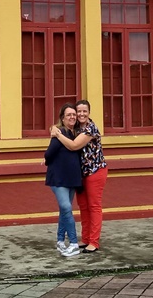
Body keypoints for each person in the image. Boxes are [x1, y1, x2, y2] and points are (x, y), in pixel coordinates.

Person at [51, 99, 107, 253]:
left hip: (95, 171)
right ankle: (86, 238)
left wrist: (57, 134)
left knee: (94, 206)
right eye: (79, 111)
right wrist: (55, 129)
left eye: (84, 111)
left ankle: (94, 242)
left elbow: (74, 145)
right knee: (83, 206)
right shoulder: (76, 127)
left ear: (89, 112)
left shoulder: (90, 128)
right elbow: (62, 125)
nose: (81, 114)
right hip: (80, 174)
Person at [44, 103, 82, 257]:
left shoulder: (78, 133)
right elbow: (48, 154)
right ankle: (73, 243)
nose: (72, 117)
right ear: (62, 118)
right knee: (66, 208)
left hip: (72, 178)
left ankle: (60, 240)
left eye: (74, 114)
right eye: (68, 115)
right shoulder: (60, 134)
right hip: (58, 178)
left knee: (64, 211)